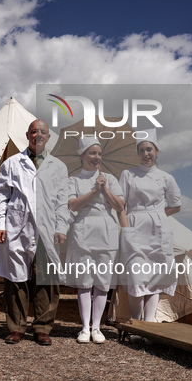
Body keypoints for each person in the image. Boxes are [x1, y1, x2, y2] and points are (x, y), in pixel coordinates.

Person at [0, 119, 69, 345]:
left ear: (48, 137)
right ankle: (17, 328)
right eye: (34, 131)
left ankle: (42, 328)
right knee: (16, 280)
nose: (38, 135)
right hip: (18, 227)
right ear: (27, 135)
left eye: (42, 132)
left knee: (47, 281)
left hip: (47, 228)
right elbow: (0, 196)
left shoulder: (58, 167)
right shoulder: (12, 163)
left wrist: (62, 227)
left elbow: (63, 201)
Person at [118, 129, 181, 330]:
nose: (146, 154)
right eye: (142, 150)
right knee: (136, 276)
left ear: (156, 152)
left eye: (149, 149)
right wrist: (128, 227)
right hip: (134, 225)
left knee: (155, 277)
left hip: (158, 229)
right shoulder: (127, 175)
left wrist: (158, 216)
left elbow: (176, 204)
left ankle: (150, 323)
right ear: (137, 154)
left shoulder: (166, 177)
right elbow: (121, 203)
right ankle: (137, 323)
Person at [66, 137, 125, 344]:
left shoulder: (110, 179)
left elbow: (119, 206)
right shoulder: (74, 180)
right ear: (82, 156)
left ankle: (97, 327)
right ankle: (84, 328)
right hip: (83, 232)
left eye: (99, 154)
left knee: (102, 282)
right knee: (84, 282)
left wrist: (105, 188)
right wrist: (93, 190)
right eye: (92, 153)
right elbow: (73, 205)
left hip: (107, 234)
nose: (96, 157)